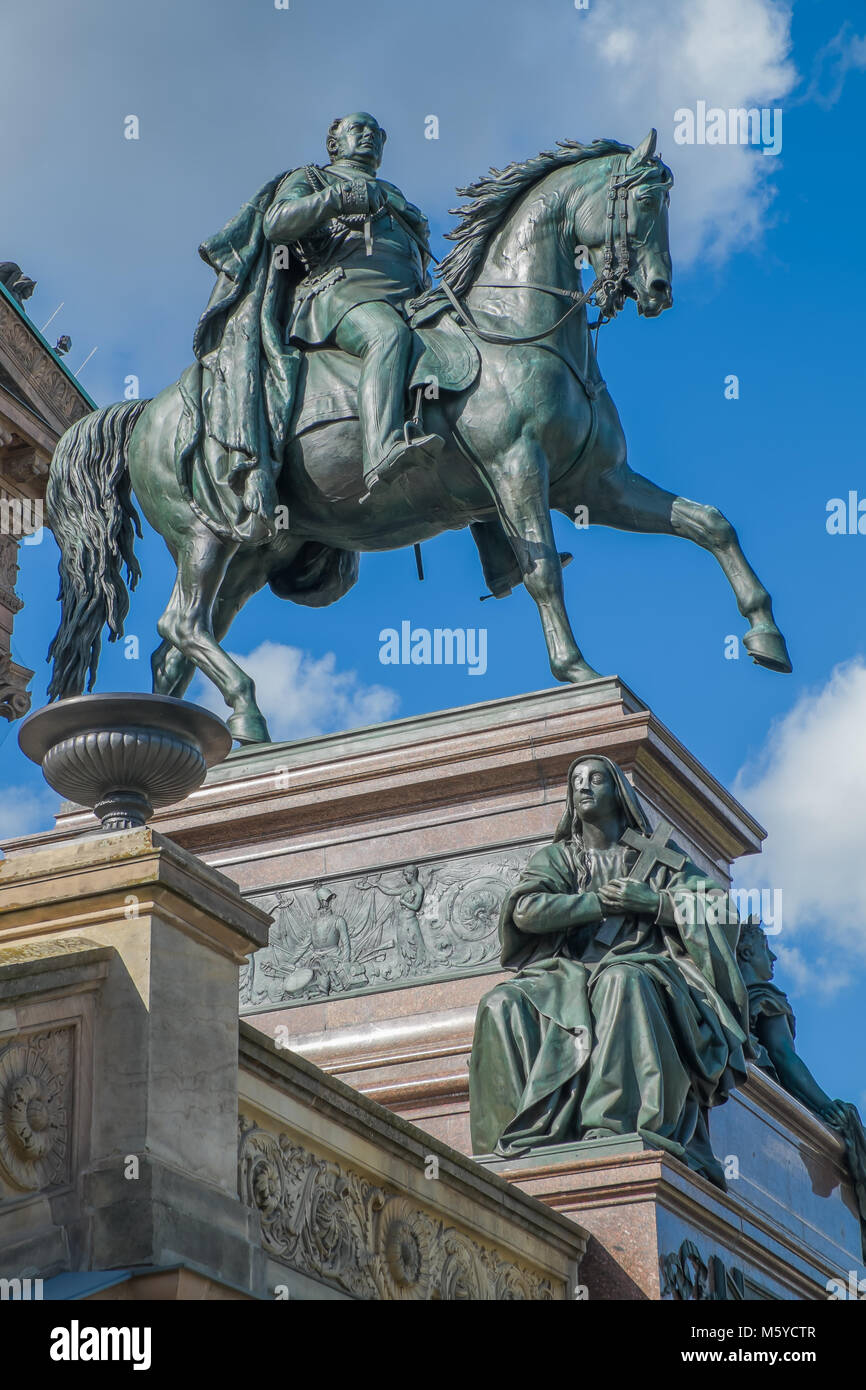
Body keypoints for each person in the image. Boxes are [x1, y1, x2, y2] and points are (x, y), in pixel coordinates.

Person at [469, 754, 750, 1186]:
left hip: (646, 967)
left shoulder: (657, 858)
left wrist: (653, 904)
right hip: (566, 974)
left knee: (621, 980)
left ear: (617, 793)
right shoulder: (561, 857)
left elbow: (718, 909)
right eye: (577, 781)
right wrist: (596, 903)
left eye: (596, 779)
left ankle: (612, 1122)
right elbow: (524, 910)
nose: (584, 787)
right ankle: (513, 1140)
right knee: (499, 1003)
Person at [263, 111, 444, 495]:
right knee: (386, 335)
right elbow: (276, 223)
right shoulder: (314, 178)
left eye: (375, 132)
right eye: (357, 129)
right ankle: (381, 449)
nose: (368, 136)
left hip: (410, 299)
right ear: (335, 144)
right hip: (343, 293)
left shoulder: (397, 195)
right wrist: (335, 199)